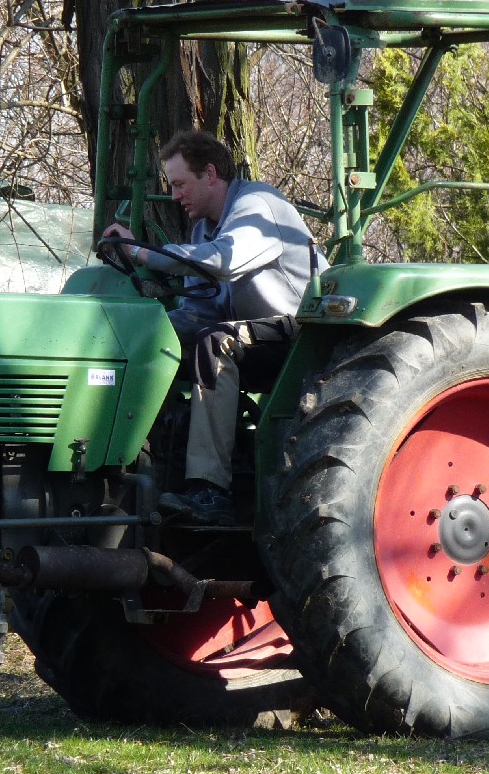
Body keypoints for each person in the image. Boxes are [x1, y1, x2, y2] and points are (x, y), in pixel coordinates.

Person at [101, 129, 324, 526]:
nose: (174, 196)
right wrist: (141, 334)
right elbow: (198, 310)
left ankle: (210, 490)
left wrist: (141, 253)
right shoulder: (204, 230)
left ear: (210, 174)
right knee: (164, 343)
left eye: (180, 184)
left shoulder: (259, 206)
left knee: (216, 342)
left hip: (303, 334)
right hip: (255, 337)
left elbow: (224, 261)